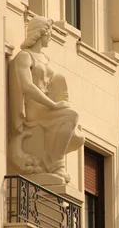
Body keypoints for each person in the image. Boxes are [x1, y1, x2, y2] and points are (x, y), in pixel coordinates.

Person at [9, 16, 84, 183]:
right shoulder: (25, 56)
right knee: (71, 116)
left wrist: (58, 100)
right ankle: (56, 165)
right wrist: (54, 105)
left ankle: (56, 162)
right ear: (41, 32)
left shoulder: (45, 59)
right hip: (34, 108)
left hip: (46, 105)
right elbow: (27, 86)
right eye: (49, 32)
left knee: (71, 118)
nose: (50, 36)